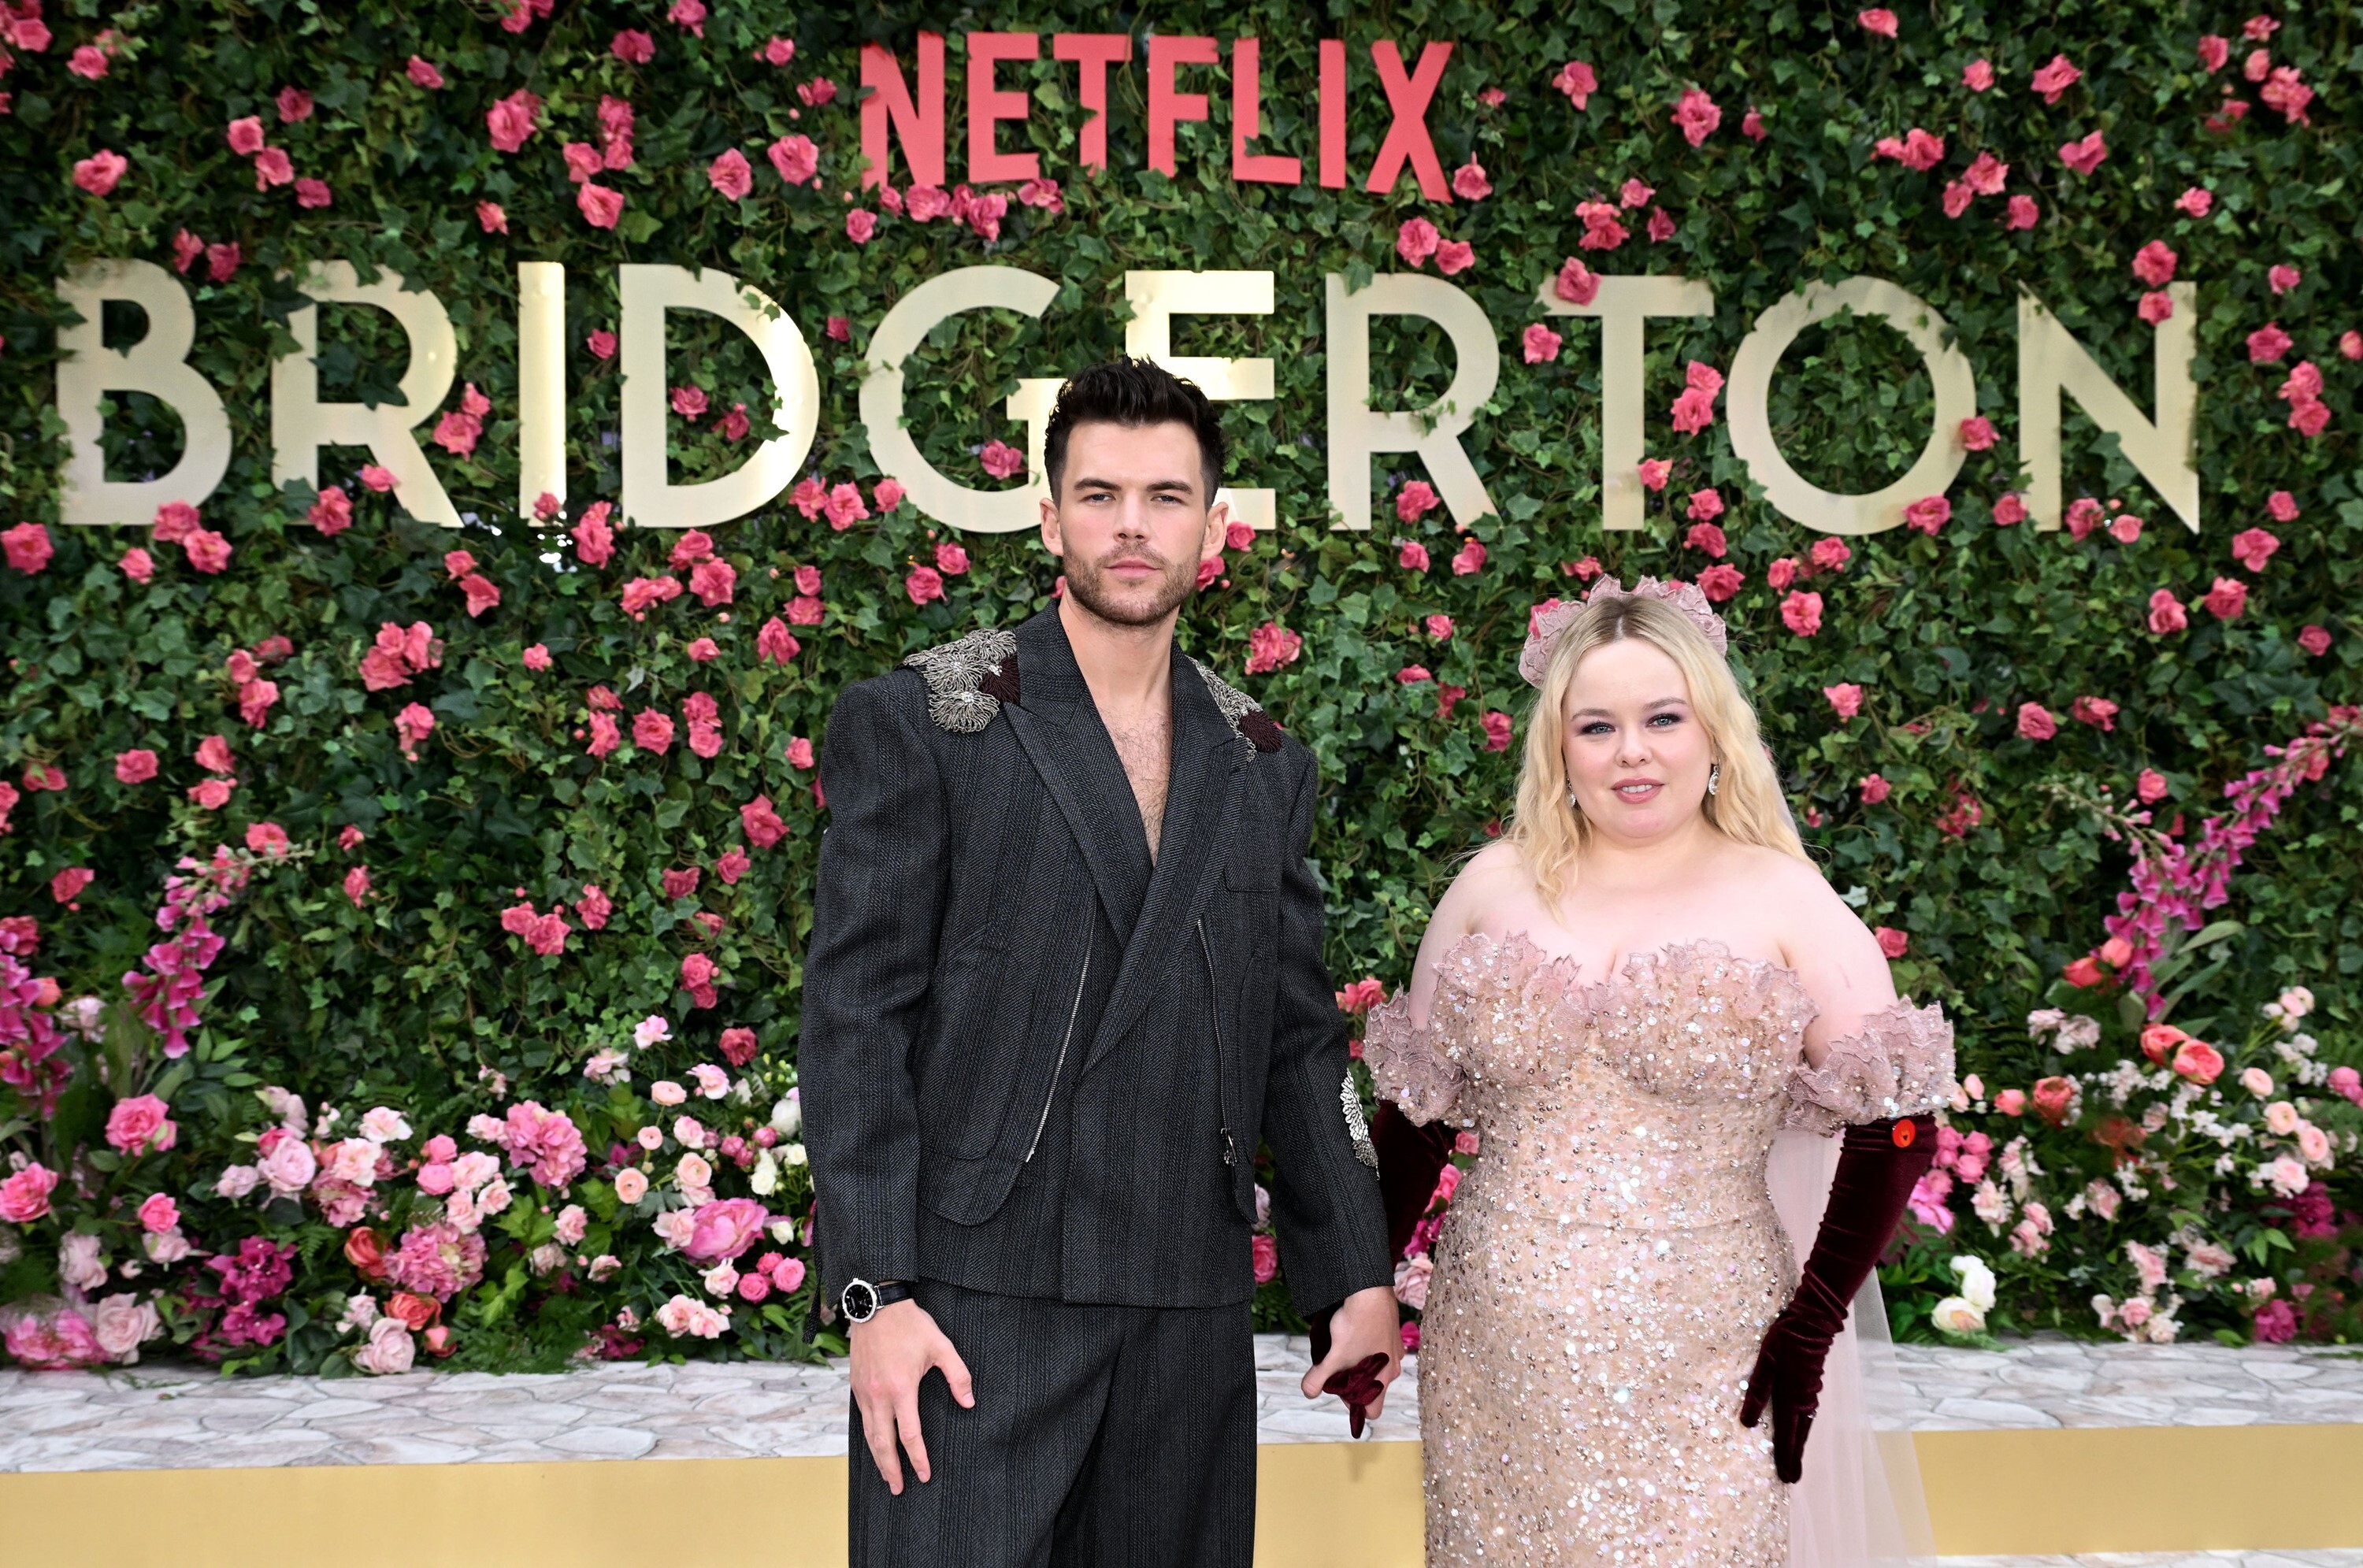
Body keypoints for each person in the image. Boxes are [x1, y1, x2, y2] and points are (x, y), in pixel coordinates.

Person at [799, 357, 1399, 1568]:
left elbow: (1296, 1034)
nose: (1133, 525)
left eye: (1166, 496)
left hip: (1186, 1307)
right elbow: (856, 1016)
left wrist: (1355, 1274)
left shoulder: (1261, 759)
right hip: (970, 1304)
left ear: (1213, 528)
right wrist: (876, 1293)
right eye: (1101, 494)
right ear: (1049, 517)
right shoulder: (930, 717)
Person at [1362, 576, 1955, 1566]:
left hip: (1713, 1356)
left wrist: (1812, 1324)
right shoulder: (1488, 887)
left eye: (1663, 718)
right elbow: (1414, 1122)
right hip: (1493, 1359)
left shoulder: (1789, 900)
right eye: (1597, 726)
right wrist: (1363, 1292)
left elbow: (1895, 1126)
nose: (1631, 750)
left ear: (1715, 732)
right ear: (1559, 747)